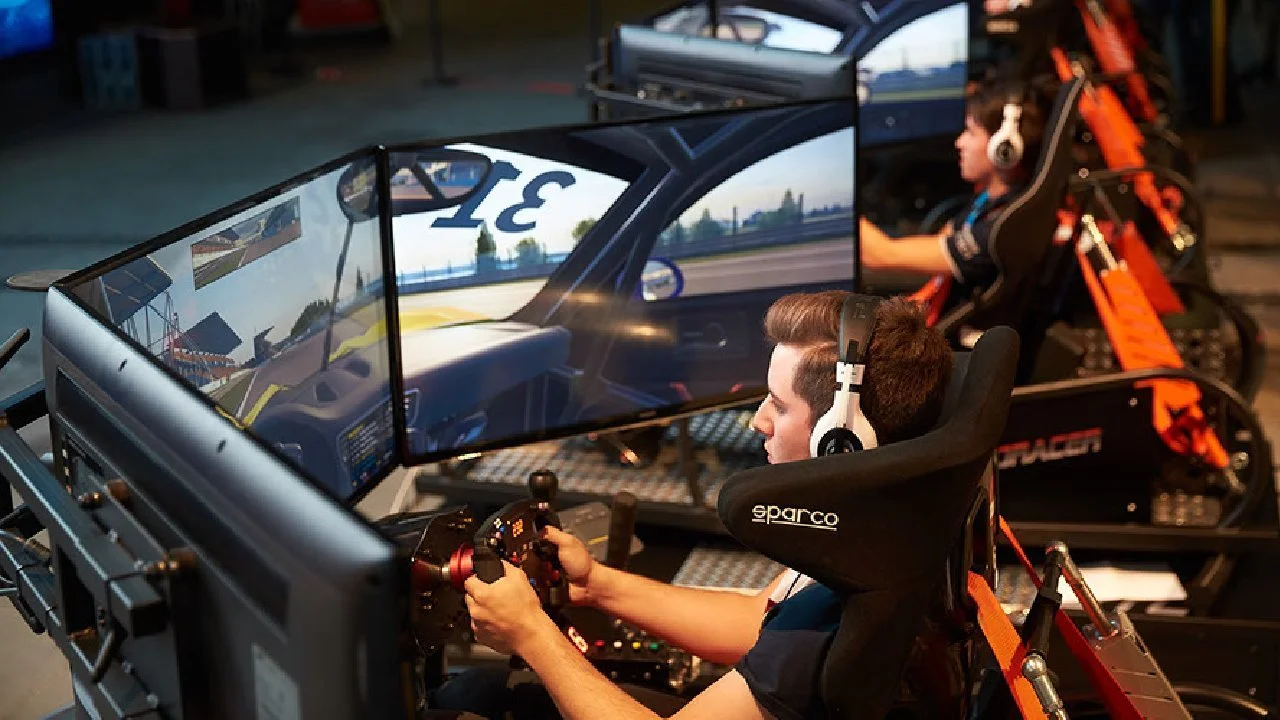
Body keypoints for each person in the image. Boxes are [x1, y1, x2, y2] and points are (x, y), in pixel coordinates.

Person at [445, 292, 953, 720]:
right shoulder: (877, 527)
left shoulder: (843, 603)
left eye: (778, 404)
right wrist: (597, 585)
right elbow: (760, 620)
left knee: (467, 702)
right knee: (480, 695)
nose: (758, 421)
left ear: (838, 438)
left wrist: (530, 633)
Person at [859, 78, 1052, 305]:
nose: (960, 142)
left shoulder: (998, 229)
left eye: (970, 132)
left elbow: (880, 255)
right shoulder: (992, 201)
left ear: (1004, 148)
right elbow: (943, 239)